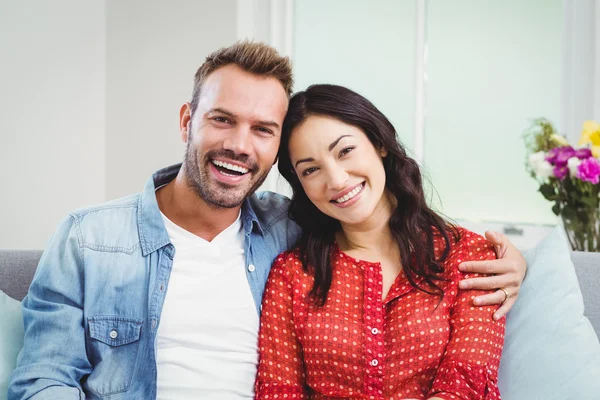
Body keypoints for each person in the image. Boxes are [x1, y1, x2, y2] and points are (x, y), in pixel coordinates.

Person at [9, 42, 523, 400]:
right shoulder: (90, 238)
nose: (239, 144)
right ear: (188, 120)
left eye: (262, 129)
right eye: (222, 119)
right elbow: (44, 379)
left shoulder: (292, 228)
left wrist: (517, 263)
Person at [255, 84, 507, 399]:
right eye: (311, 169)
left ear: (379, 143)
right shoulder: (291, 274)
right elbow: (279, 390)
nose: (336, 180)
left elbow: (465, 387)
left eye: (345, 151)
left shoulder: (471, 256)